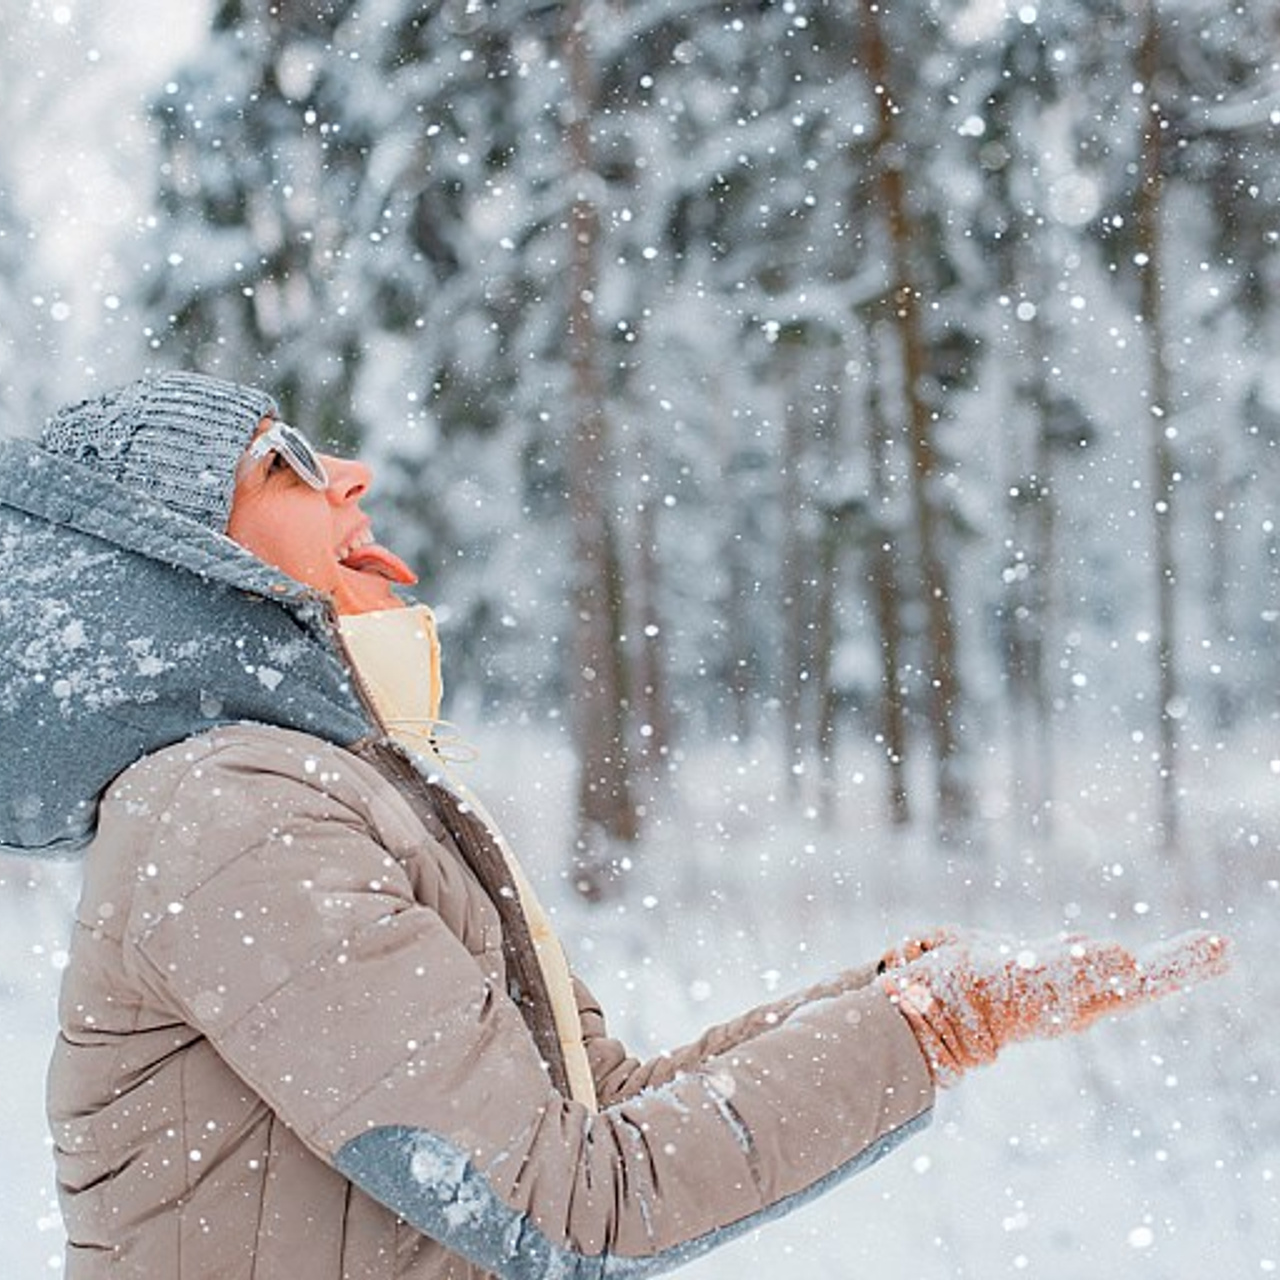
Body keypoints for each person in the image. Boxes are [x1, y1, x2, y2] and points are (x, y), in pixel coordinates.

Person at [0, 371, 1229, 1279]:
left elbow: (593, 1113)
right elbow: (575, 1206)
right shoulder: (233, 815)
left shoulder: (320, 790)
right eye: (287, 458)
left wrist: (902, 1002)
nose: (351, 475)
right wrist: (916, 1031)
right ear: (173, 560)